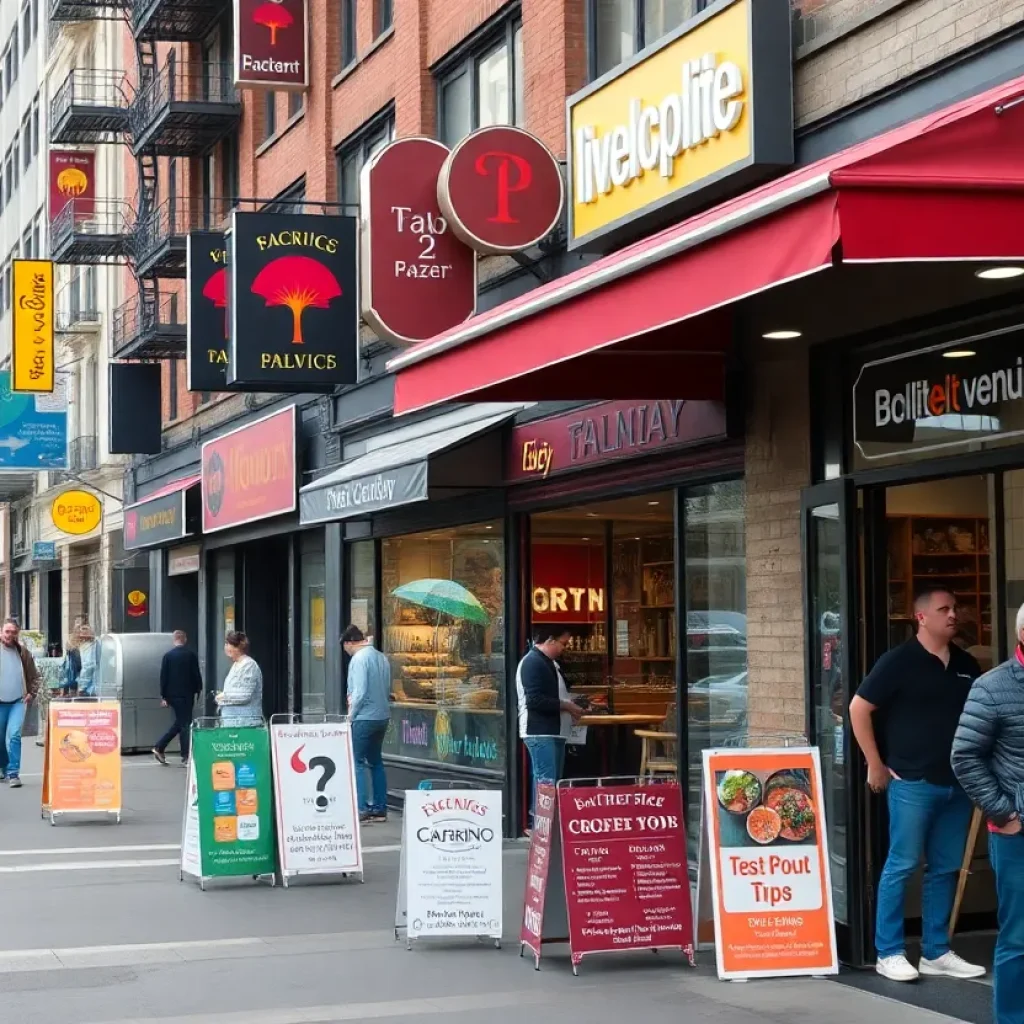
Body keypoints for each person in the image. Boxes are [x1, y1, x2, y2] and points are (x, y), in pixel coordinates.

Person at [849, 582, 985, 982]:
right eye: (944, 608)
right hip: (913, 781)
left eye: (955, 607)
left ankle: (936, 951)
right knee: (902, 864)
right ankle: (888, 951)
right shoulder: (899, 661)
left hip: (958, 783)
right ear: (921, 617)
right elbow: (859, 709)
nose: (953, 614)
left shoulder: (966, 664)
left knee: (945, 868)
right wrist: (875, 763)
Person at [952, 602, 1024, 1024]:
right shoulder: (992, 687)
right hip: (1017, 833)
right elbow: (964, 758)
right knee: (1018, 937)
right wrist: (1004, 813)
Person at [516, 627, 584, 825]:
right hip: (540, 731)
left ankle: (546, 824)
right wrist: (567, 706)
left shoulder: (548, 663)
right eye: (562, 644)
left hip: (553, 731)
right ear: (550, 640)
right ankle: (541, 825)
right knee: (546, 780)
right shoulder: (533, 662)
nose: (564, 649)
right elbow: (535, 701)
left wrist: (570, 706)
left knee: (551, 780)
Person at [342, 625, 391, 824]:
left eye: (345, 648)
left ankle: (361, 808)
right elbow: (387, 687)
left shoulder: (359, 659)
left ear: (349, 643)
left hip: (364, 717)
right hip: (382, 716)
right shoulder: (381, 657)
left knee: (357, 762)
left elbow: (359, 692)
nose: (346, 652)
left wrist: (350, 716)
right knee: (376, 762)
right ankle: (380, 808)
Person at [153, 630, 203, 766]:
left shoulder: (168, 656)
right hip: (187, 694)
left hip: (172, 695)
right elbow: (196, 674)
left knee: (181, 723)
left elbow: (164, 677)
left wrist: (164, 696)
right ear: (184, 639)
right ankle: (183, 755)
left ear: (174, 640)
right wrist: (199, 689)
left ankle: (161, 748)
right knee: (185, 724)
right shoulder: (191, 655)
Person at [0, 619, 39, 788]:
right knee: (1, 739)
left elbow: (35, 676)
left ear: (17, 634)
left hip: (17, 701)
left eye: (13, 632)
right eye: (7, 631)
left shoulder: (23, 653)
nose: (10, 635)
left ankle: (13, 773)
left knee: (14, 735)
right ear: (1, 632)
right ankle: (3, 768)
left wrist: (31, 693)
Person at [214, 631, 262, 726]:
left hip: (245, 723)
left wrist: (223, 697)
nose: (225, 648)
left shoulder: (249, 665)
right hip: (232, 722)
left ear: (238, 647)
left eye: (228, 644)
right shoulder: (236, 664)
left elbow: (244, 695)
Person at [76, 624, 97, 697]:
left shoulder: (88, 645)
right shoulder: (87, 645)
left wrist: (82, 687)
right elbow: (87, 666)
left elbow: (88, 666)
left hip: (89, 687)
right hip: (90, 686)